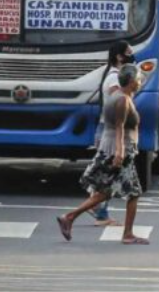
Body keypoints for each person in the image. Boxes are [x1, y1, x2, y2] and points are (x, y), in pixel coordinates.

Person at [56, 64, 148, 244]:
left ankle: (69, 217)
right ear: (130, 81)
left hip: (112, 148)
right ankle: (127, 234)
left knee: (105, 192)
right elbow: (120, 127)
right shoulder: (123, 100)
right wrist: (120, 154)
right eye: (137, 80)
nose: (139, 83)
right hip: (120, 150)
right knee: (133, 193)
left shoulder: (118, 96)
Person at [88, 41, 136, 227]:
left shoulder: (114, 75)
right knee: (109, 175)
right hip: (111, 131)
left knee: (108, 174)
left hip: (108, 129)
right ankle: (96, 210)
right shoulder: (115, 79)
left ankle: (98, 210)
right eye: (129, 52)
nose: (132, 54)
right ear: (119, 56)